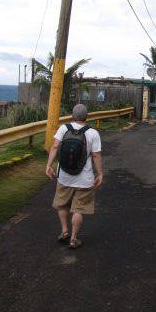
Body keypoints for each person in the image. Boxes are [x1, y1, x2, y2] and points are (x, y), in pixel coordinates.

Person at [46, 104, 103, 249]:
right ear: (87, 116)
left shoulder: (64, 128)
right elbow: (95, 155)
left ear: (72, 115)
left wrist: (49, 165)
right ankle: (73, 238)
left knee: (62, 204)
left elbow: (54, 146)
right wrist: (100, 173)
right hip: (84, 179)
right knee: (79, 209)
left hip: (64, 175)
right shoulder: (93, 133)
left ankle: (64, 231)